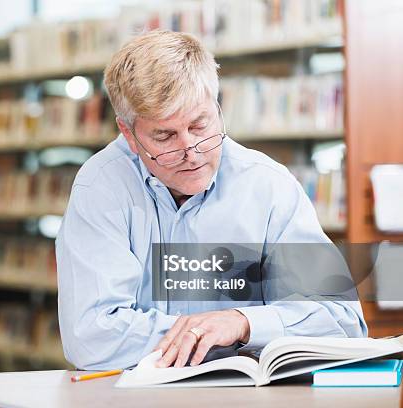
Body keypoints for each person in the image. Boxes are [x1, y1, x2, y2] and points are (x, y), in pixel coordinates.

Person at [56, 30, 366, 370]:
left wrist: (242, 323)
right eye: (165, 136)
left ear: (217, 107)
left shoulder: (269, 186)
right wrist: (209, 335)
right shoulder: (100, 187)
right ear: (129, 134)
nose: (191, 151)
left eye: (200, 125)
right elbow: (90, 336)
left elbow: (343, 323)